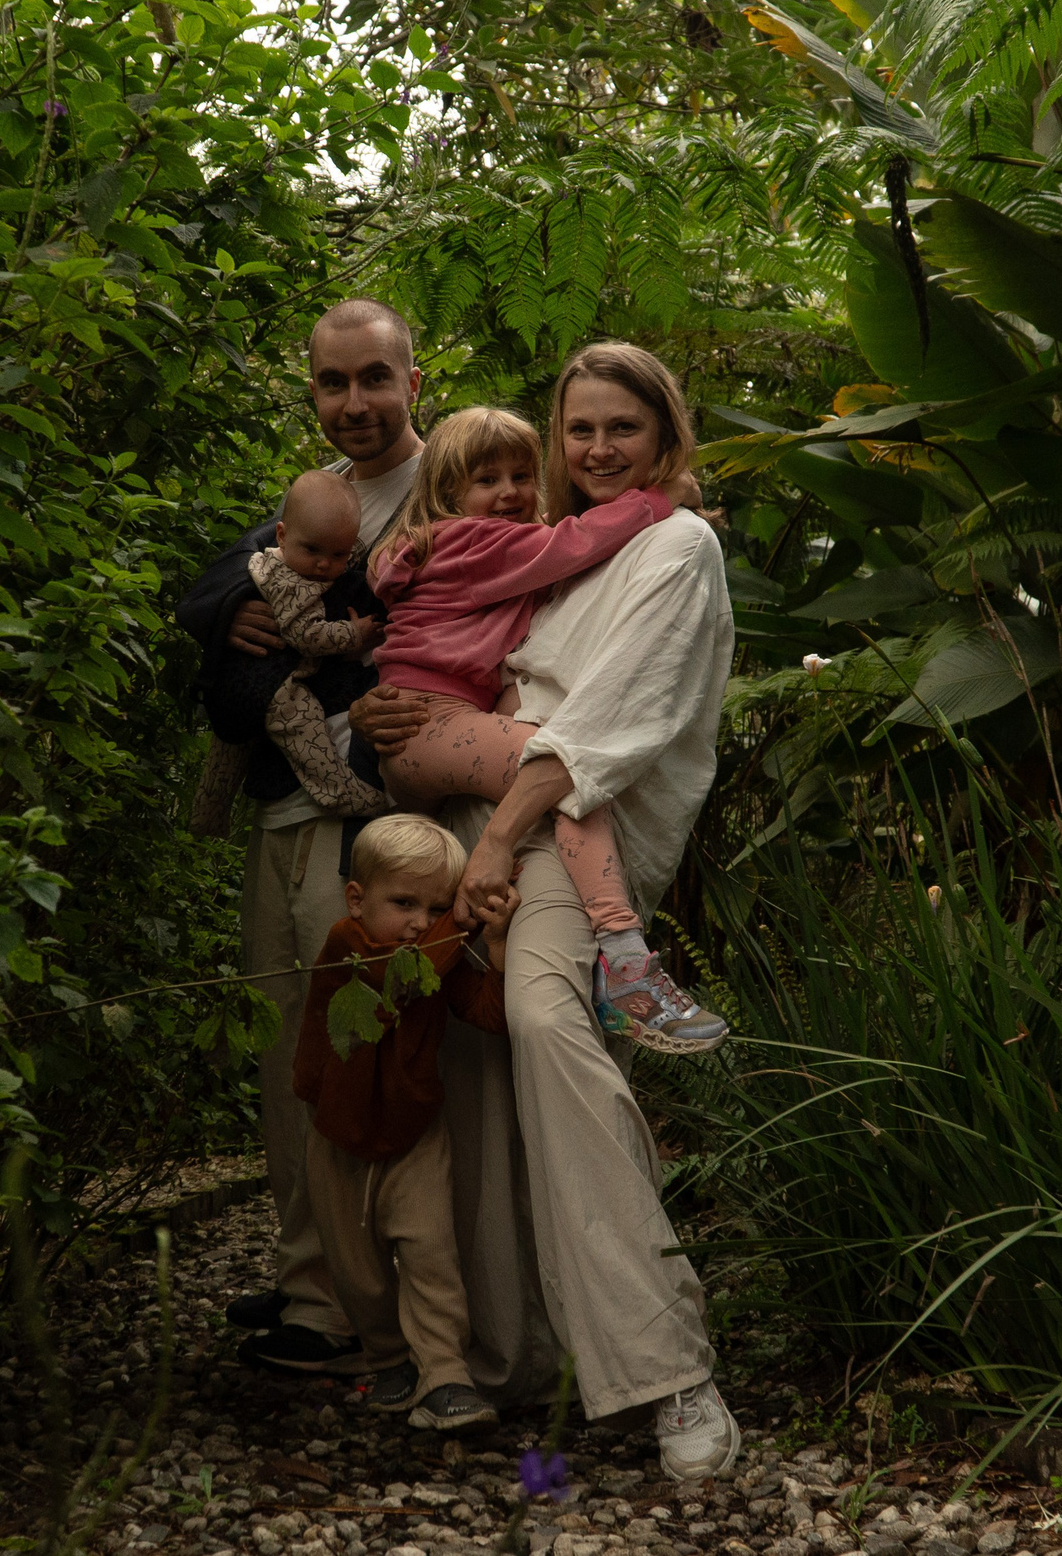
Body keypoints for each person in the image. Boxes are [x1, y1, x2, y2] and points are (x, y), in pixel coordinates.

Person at [350, 341, 742, 1478]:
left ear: (665, 434)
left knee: (544, 1030)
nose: (597, 449)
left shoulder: (675, 542)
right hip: (494, 821)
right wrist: (393, 725)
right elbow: (476, 678)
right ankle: (512, 1353)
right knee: (473, 1069)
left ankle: (670, 1373)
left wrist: (502, 841)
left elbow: (611, 724)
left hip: (570, 832)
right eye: (579, 430)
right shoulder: (551, 555)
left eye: (623, 428)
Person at [173, 298, 425, 1374]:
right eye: (333, 383)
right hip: (281, 812)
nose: (354, 403)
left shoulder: (444, 484)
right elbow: (205, 596)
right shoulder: (302, 508)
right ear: (310, 389)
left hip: (374, 823)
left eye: (375, 378)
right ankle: (307, 1275)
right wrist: (228, 606)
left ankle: (371, 1307)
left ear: (415, 379)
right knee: (287, 1050)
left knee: (357, 1049)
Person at [366, 407, 725, 1052]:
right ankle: (624, 958)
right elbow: (574, 544)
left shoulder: (452, 545)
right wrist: (661, 498)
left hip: (446, 722)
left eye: (522, 475)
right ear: (450, 492)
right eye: (486, 479)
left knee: (561, 768)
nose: (509, 492)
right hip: (432, 722)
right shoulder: (471, 543)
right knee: (568, 773)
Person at [292, 813, 515, 1432]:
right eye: (404, 902)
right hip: (339, 1135)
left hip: (415, 1129)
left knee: (429, 1251)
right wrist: (458, 920)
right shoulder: (348, 943)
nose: (421, 920)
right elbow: (391, 990)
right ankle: (389, 1359)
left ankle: (444, 1374)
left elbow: (490, 1015)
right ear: (356, 900)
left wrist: (492, 948)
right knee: (356, 1270)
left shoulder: (432, 957)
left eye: (437, 905)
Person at [235, 471, 390, 816]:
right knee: (304, 728)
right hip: (279, 688)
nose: (324, 564)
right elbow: (304, 635)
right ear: (282, 535)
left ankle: (208, 814)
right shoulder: (290, 581)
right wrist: (355, 634)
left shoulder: (288, 563)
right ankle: (337, 792)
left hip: (271, 676)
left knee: (226, 761)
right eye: (312, 550)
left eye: (339, 555)